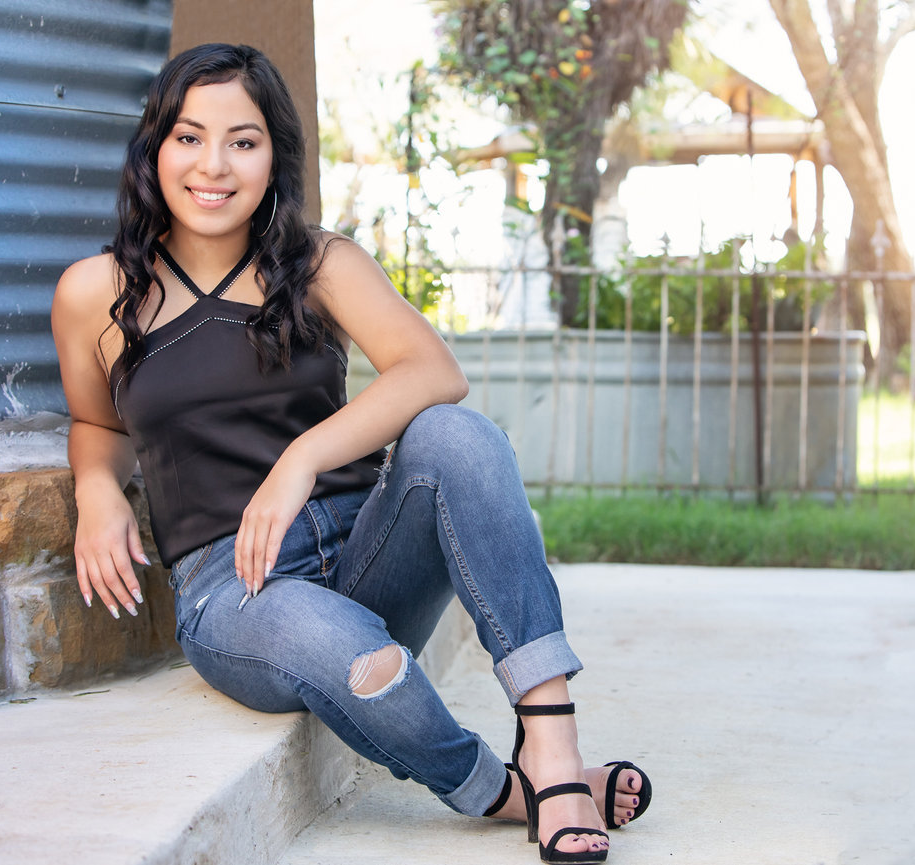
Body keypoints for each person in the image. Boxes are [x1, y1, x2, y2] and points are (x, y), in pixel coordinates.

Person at [51, 43, 650, 864]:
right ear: (154, 148)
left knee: (458, 435)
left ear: (274, 155)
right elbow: (99, 423)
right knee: (346, 650)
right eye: (189, 137)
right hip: (236, 590)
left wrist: (299, 459)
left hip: (366, 544)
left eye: (243, 140)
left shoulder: (318, 262)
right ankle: (503, 790)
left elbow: (435, 370)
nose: (213, 165)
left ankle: (550, 740)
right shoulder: (95, 292)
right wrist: (96, 488)